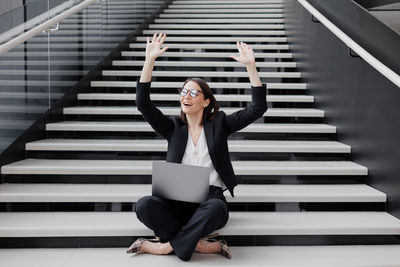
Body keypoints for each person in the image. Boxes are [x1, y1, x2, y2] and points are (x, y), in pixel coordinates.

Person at [126, 33, 267, 261]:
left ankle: (163, 246)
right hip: (176, 199)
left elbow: (257, 108)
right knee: (143, 205)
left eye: (193, 92)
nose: (186, 96)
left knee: (218, 210)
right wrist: (149, 61)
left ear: (206, 101)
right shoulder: (171, 126)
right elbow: (143, 104)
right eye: (183, 92)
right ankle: (202, 245)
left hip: (209, 199)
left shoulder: (220, 123)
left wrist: (251, 67)